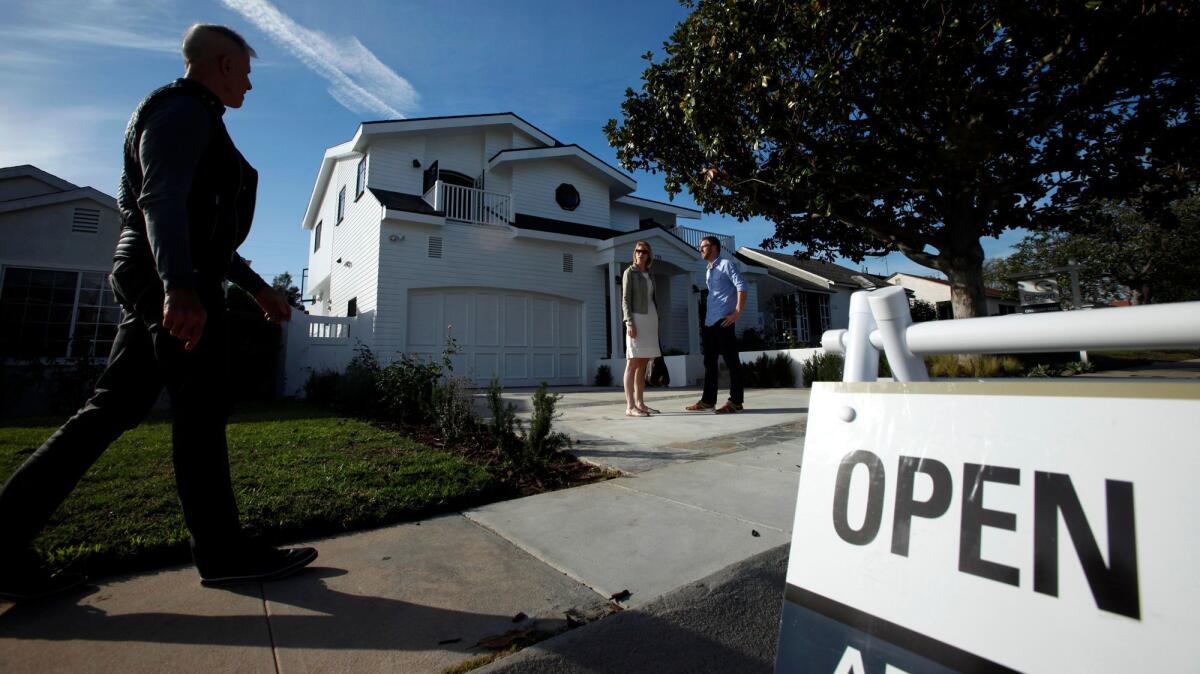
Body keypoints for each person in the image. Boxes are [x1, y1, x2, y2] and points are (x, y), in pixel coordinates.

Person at [0, 24, 317, 602]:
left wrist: (252, 286)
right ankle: (222, 553)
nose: (248, 83)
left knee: (111, 410)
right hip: (170, 280)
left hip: (168, 276)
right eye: (244, 71)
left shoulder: (193, 115)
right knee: (198, 411)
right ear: (222, 65)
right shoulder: (180, 112)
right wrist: (180, 288)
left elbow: (202, 225)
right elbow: (161, 199)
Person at [686, 236, 747, 414]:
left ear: (714, 247)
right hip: (710, 322)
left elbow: (742, 286)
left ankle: (736, 401)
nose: (701, 249)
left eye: (703, 246)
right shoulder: (708, 270)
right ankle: (707, 401)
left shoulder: (727, 265)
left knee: (731, 361)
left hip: (724, 320)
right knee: (709, 362)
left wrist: (737, 312)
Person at [621, 241, 662, 417]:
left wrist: (657, 324)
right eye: (638, 251)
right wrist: (629, 322)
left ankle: (641, 403)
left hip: (651, 320)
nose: (641, 254)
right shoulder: (629, 272)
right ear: (634, 253)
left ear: (649, 255)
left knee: (643, 364)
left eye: (644, 251)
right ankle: (630, 406)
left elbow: (653, 299)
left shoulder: (650, 274)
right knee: (632, 362)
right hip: (636, 319)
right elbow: (625, 300)